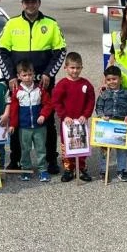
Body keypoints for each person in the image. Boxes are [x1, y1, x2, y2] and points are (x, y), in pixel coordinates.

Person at [0, 0, 67, 175]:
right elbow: (1, 51)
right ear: (22, 4)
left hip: (42, 83)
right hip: (18, 83)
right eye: (27, 1)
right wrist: (11, 76)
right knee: (17, 120)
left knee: (48, 121)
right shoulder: (12, 24)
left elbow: (60, 51)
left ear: (39, 3)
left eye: (34, 1)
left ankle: (51, 160)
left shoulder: (51, 24)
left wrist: (48, 74)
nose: (30, 4)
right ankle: (16, 160)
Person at [50, 52, 95, 182]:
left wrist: (85, 115)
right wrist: (64, 116)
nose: (75, 71)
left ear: (81, 67)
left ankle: (81, 168)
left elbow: (90, 101)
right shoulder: (62, 84)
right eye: (72, 68)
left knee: (81, 144)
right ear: (66, 68)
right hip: (67, 123)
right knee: (67, 145)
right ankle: (69, 169)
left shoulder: (86, 84)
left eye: (78, 68)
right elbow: (56, 101)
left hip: (80, 121)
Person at [7, 60, 53, 182]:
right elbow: (13, 110)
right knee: (25, 149)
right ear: (18, 76)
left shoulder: (40, 89)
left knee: (41, 148)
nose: (27, 78)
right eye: (24, 75)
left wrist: (43, 115)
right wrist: (12, 124)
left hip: (39, 127)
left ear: (34, 74)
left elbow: (48, 105)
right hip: (24, 127)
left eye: (30, 74)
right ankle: (26, 169)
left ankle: (43, 170)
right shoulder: (17, 92)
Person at [95, 65, 127, 182]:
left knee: (122, 150)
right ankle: (104, 171)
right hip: (106, 125)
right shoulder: (104, 94)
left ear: (120, 79)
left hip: (120, 125)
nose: (111, 82)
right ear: (105, 81)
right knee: (104, 150)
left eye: (114, 79)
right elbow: (98, 107)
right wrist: (101, 116)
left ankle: (121, 171)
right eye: (108, 80)